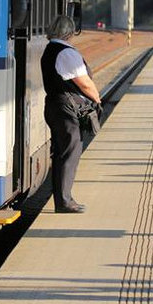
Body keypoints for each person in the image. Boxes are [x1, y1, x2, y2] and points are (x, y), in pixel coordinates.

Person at [41, 14, 102, 214]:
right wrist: (97, 98)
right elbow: (83, 82)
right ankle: (65, 201)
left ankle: (63, 199)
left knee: (62, 152)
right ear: (69, 32)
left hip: (54, 105)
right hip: (65, 108)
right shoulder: (66, 53)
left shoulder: (50, 50)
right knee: (70, 151)